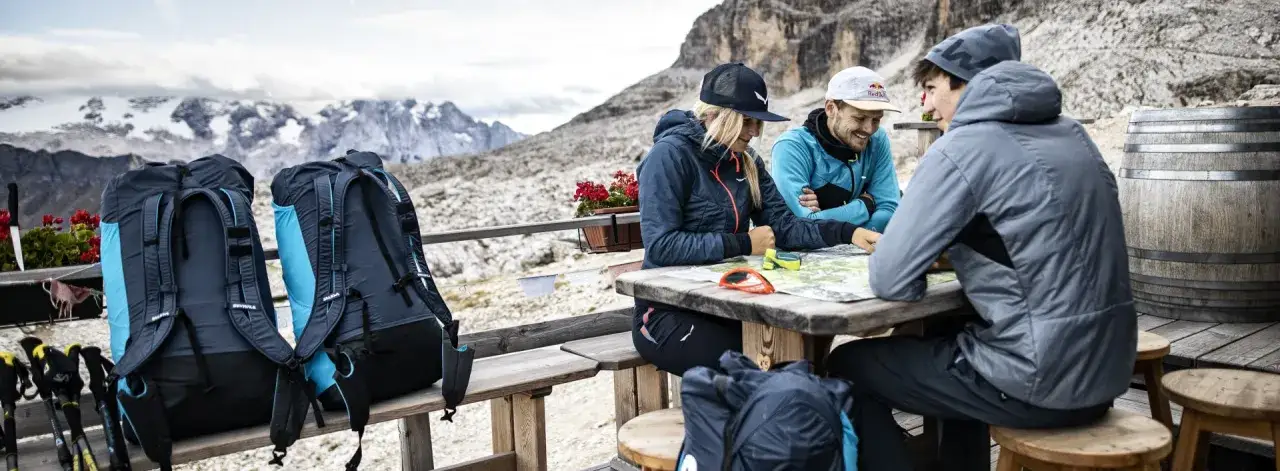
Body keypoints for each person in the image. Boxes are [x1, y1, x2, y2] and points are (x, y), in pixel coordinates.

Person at [825, 24, 1137, 471]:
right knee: (949, 339)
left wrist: (918, 264)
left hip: (1041, 381)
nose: (924, 104)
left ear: (971, 85)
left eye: (932, 88)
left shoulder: (963, 146)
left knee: (847, 364)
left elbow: (890, 277)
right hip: (1108, 370)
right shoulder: (1074, 135)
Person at [633, 62, 875, 376]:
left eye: (758, 122)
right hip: (666, 311)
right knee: (768, 369)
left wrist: (849, 233)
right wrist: (745, 242)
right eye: (747, 121)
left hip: (727, 304)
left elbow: (785, 228)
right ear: (715, 115)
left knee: (799, 360)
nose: (754, 132)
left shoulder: (747, 162)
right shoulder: (669, 156)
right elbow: (661, 247)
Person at [770, 66, 903, 234]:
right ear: (831, 109)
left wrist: (842, 228)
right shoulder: (792, 146)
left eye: (876, 120)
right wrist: (865, 205)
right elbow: (800, 226)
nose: (869, 129)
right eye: (859, 118)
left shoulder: (878, 139)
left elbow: (889, 209)